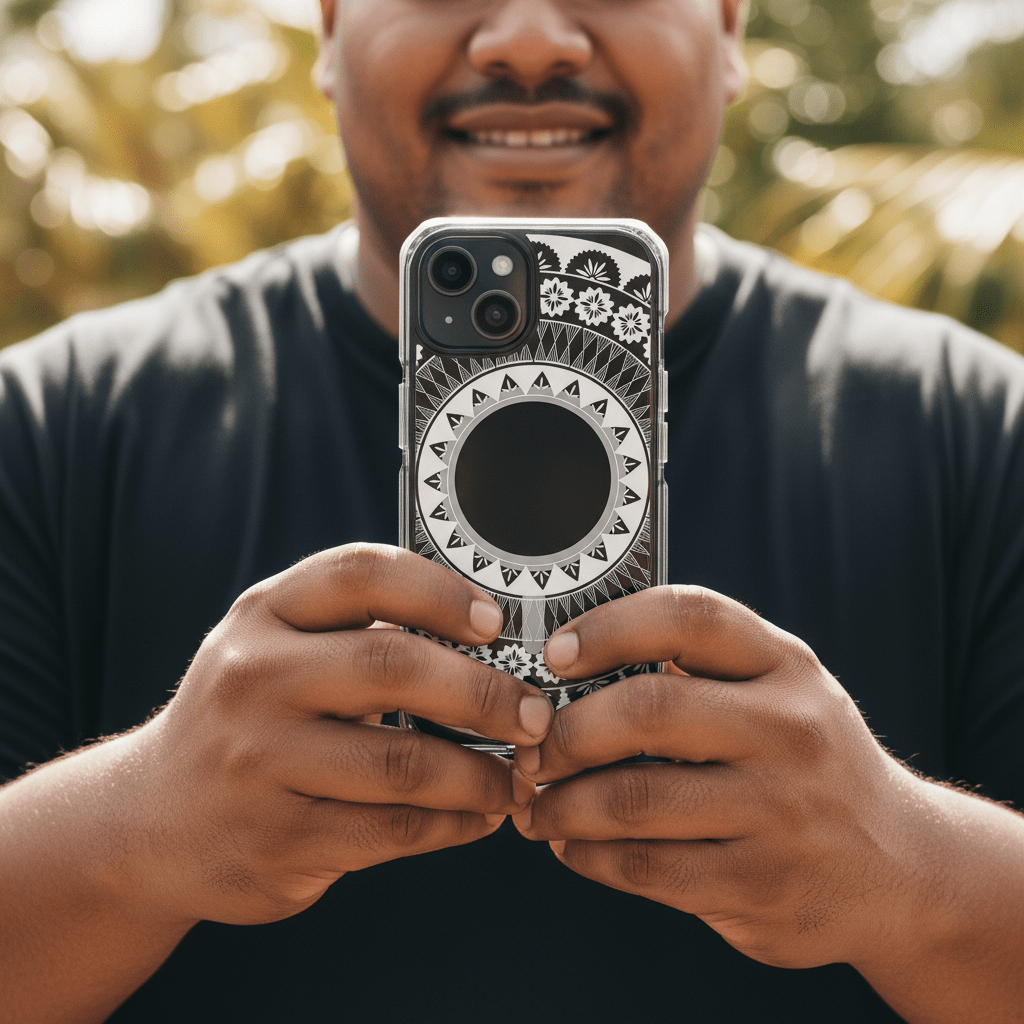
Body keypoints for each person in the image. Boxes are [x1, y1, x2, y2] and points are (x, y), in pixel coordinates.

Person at [1, 1, 1022, 1021]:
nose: (529, 41)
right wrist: (131, 831)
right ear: (330, 27)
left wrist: (913, 873)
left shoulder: (982, 436)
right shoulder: (46, 430)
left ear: (726, 27)